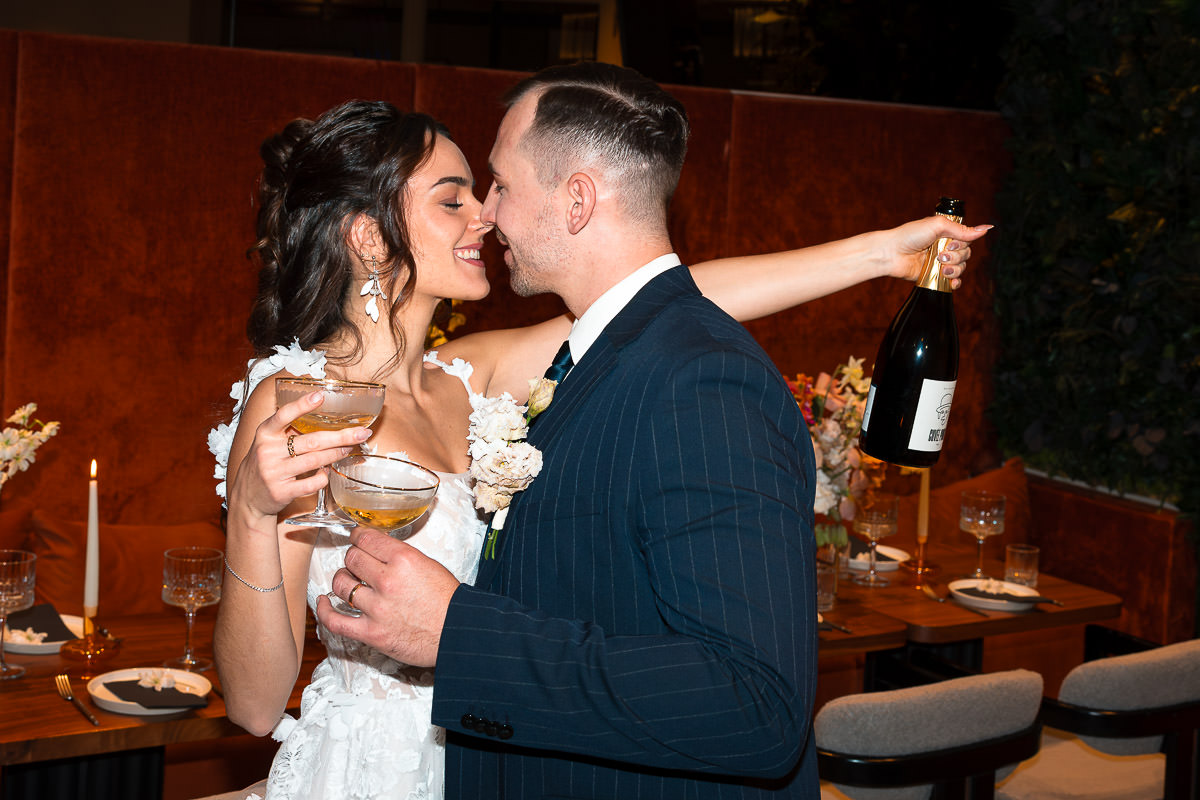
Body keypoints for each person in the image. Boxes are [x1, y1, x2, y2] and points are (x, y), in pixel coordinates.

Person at [211, 94, 988, 798]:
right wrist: (250, 512)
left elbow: (660, 305)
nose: (485, 215)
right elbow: (251, 706)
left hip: (508, 740)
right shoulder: (297, 403)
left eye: (483, 193)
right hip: (373, 770)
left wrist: (883, 255)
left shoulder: (473, 377)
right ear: (369, 239)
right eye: (453, 200)